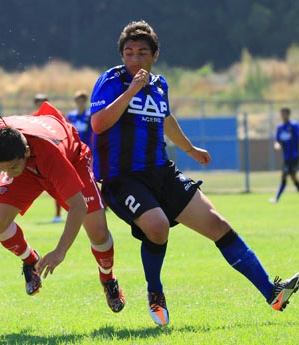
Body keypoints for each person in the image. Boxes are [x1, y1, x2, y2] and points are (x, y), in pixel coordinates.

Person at [90, 20, 299, 326]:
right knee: (158, 227)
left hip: (162, 172)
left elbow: (166, 119)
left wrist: (191, 149)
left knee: (218, 224)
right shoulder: (112, 81)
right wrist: (132, 90)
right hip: (123, 178)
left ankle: (273, 293)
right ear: (122, 55)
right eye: (129, 53)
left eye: (142, 53)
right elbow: (98, 124)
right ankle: (155, 291)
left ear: (155, 55)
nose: (134, 59)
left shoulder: (160, 86)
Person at [0, 101, 125, 313]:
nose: (9, 172)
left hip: (71, 161)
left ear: (25, 151)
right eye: (2, 167)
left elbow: (78, 207)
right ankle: (31, 261)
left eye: (12, 166)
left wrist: (60, 251)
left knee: (98, 232)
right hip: (29, 167)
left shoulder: (49, 155)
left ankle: (108, 278)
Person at [33, 93, 63, 223]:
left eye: (44, 101)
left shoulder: (55, 116)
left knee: (60, 187)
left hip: (56, 156)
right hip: (39, 159)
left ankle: (59, 215)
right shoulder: (32, 118)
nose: (41, 103)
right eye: (38, 101)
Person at [271, 107, 299, 203]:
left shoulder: (294, 125)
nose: (283, 116)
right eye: (281, 114)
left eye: (284, 114)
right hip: (286, 157)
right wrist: (277, 145)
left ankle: (276, 199)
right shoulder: (280, 127)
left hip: (294, 156)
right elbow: (277, 140)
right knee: (293, 177)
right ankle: (276, 199)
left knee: (284, 176)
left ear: (288, 114)